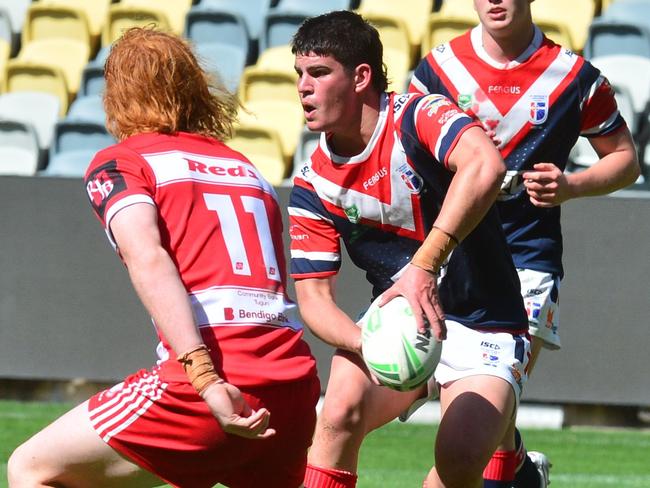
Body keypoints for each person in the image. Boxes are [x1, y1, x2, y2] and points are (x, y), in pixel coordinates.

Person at [8, 27, 320, 488]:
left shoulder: (122, 162)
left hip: (211, 382)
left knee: (32, 468)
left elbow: (148, 259)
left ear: (118, 94)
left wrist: (205, 379)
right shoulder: (245, 168)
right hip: (293, 383)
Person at [288, 10, 532, 488]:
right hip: (401, 324)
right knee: (337, 413)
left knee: (459, 459)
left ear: (360, 77)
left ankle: (515, 465)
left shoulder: (419, 115)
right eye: (299, 74)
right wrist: (369, 344)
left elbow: (484, 164)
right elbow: (314, 299)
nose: (303, 88)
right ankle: (507, 448)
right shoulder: (312, 181)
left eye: (318, 73)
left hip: (485, 316)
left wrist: (424, 265)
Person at [409, 0, 640, 485]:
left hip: (526, 264)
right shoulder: (437, 70)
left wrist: (572, 184)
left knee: (473, 431)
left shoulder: (572, 75)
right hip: (453, 261)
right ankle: (522, 473)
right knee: (486, 417)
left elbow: (625, 159)